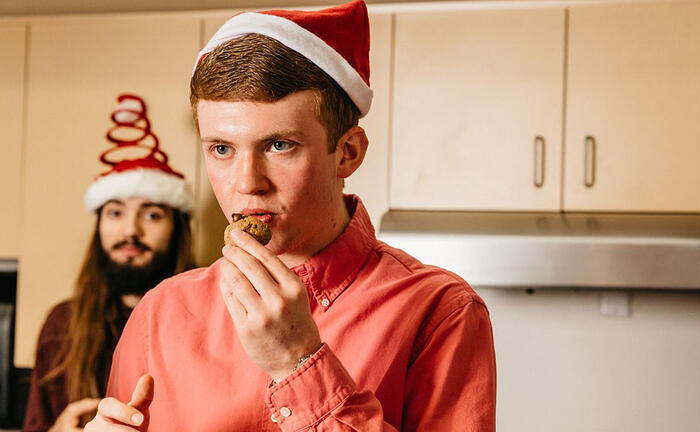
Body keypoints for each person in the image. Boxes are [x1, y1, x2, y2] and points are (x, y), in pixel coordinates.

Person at [86, 1, 496, 431]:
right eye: (222, 149)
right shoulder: (161, 312)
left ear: (348, 153)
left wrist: (298, 363)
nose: (247, 183)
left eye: (279, 145)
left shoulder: (441, 311)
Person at [23, 94, 196, 432]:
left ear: (177, 230)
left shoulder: (210, 321)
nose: (130, 230)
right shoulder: (62, 327)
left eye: (152, 214)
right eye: (115, 213)